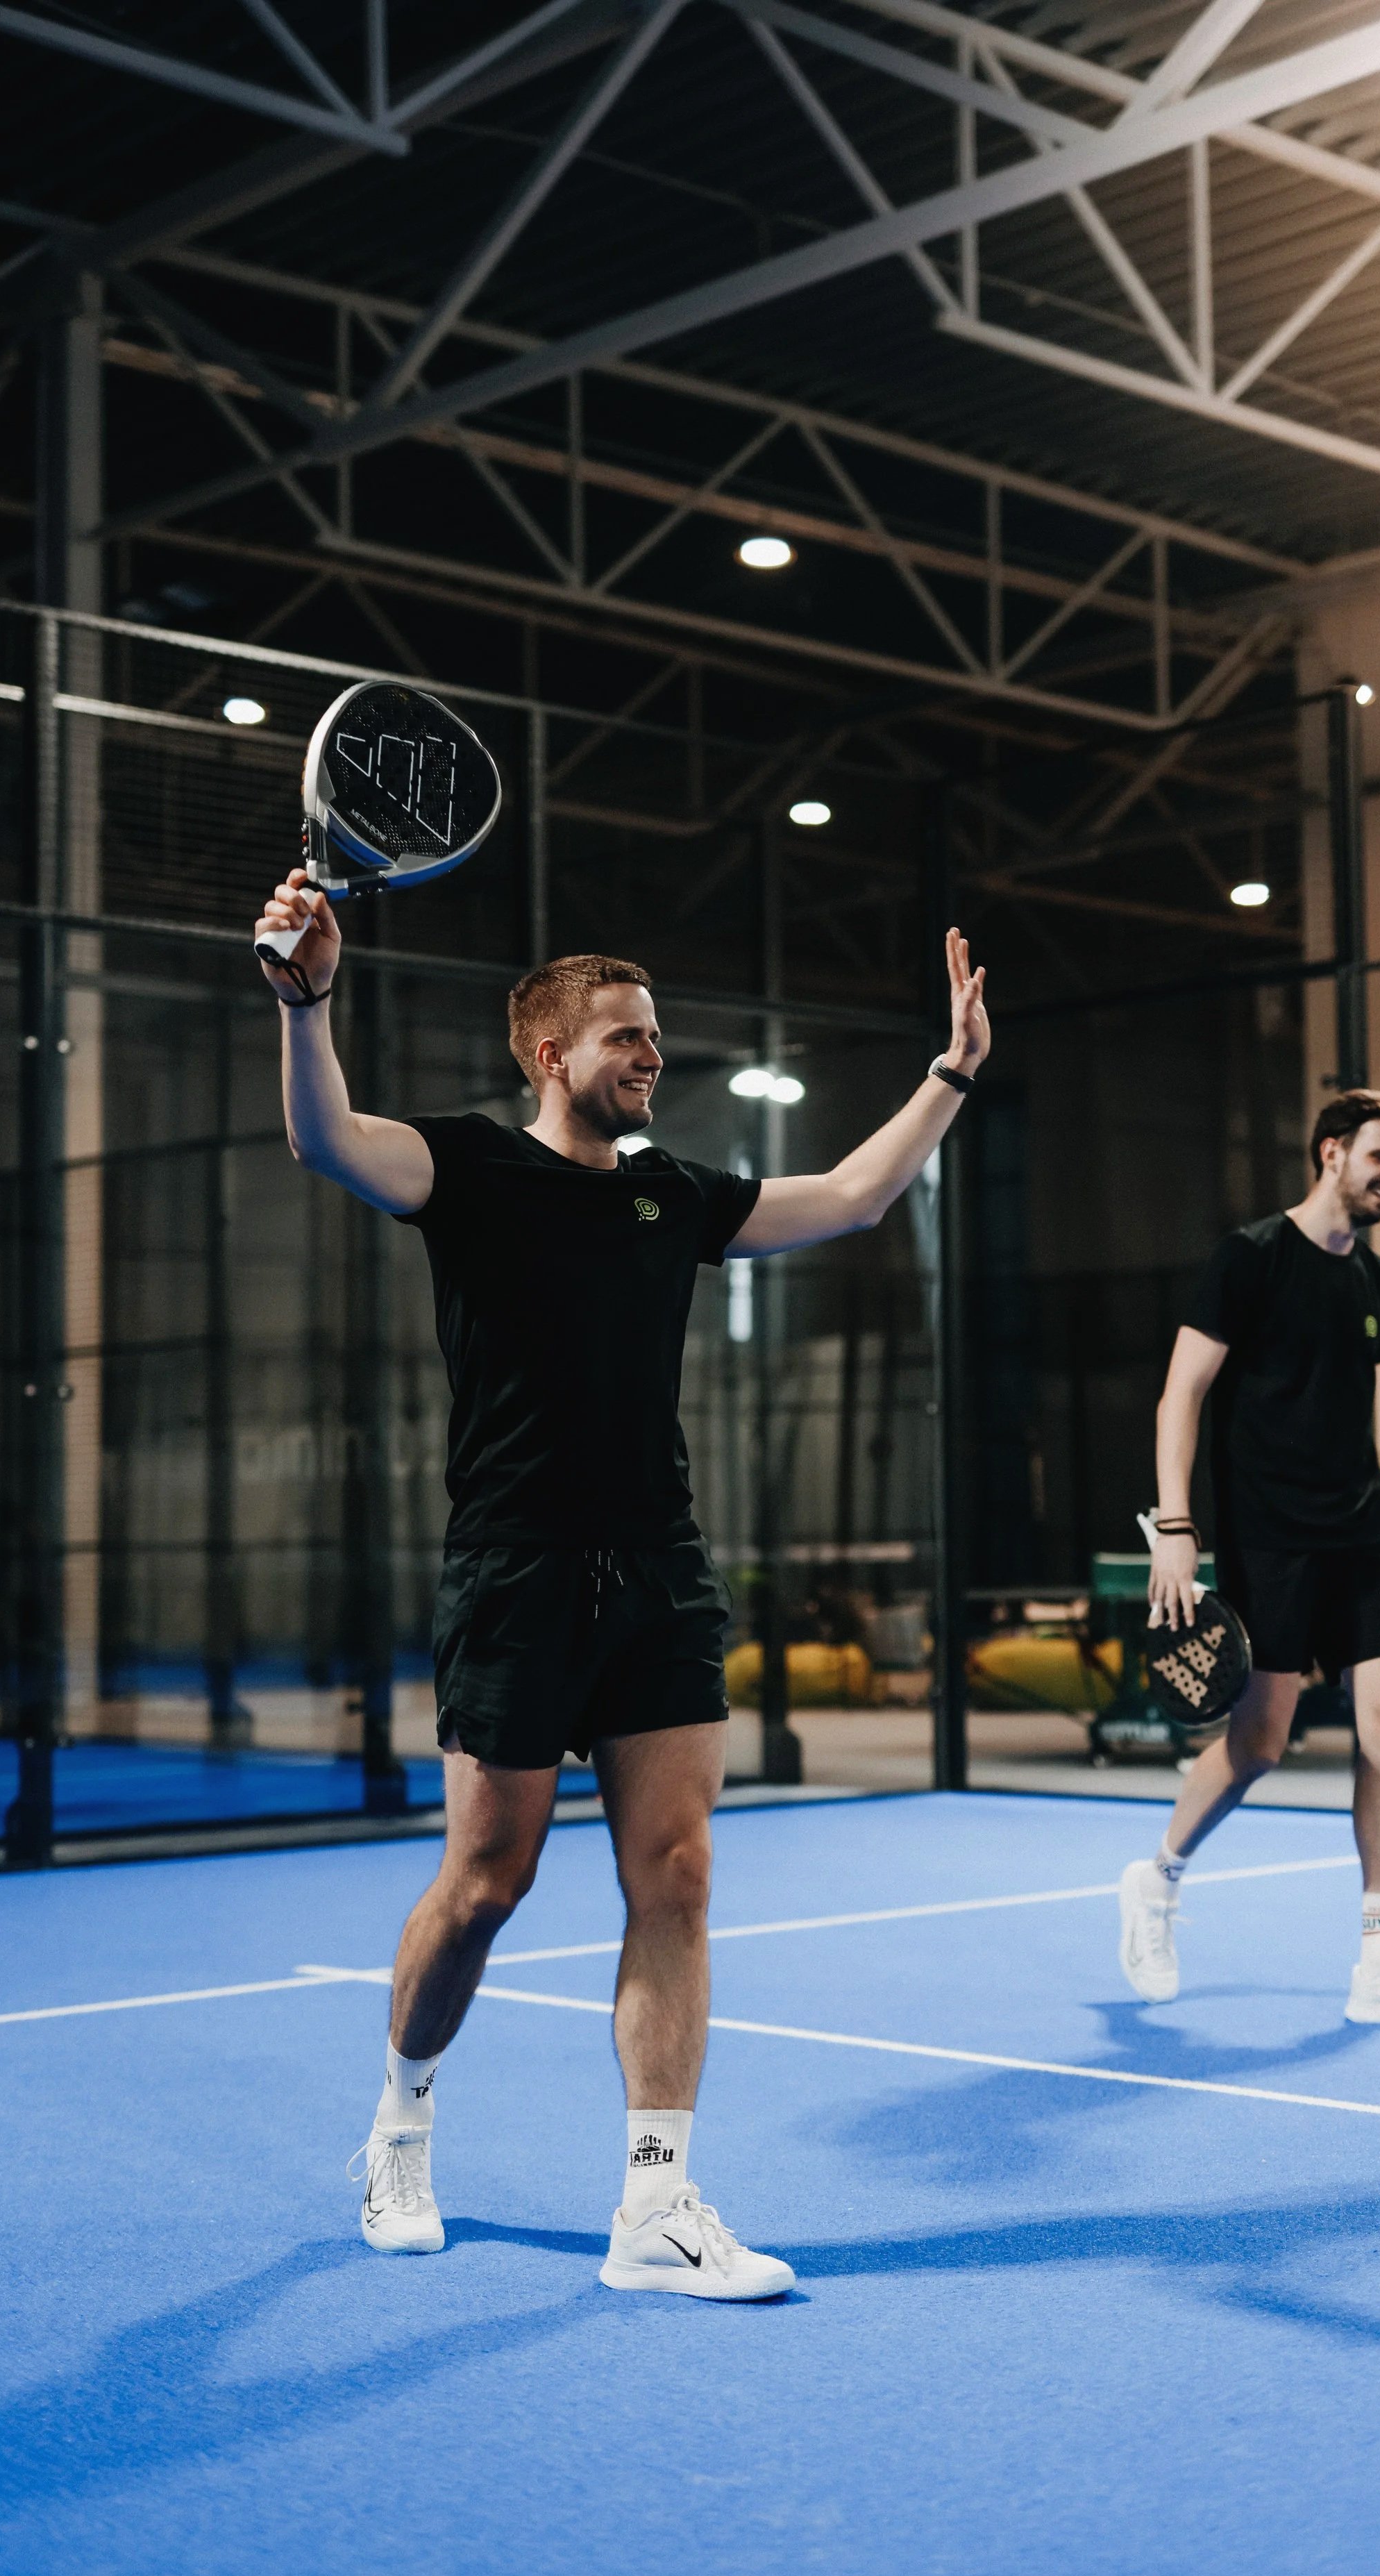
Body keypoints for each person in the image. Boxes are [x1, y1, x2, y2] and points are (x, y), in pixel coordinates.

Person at [255, 864, 989, 2298]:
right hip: (513, 1570)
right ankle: (400, 2119)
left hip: (659, 1566)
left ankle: (655, 2205)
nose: (652, 1056)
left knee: (680, 1872)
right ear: (549, 1052)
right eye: (626, 1036)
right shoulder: (467, 1168)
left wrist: (949, 1073)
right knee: (487, 1879)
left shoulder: (674, 1195)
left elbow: (843, 1196)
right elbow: (329, 1138)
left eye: (655, 1036)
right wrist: (307, 999)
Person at [1120, 1088, 1380, 2030]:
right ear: (1331, 1153)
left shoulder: (1377, 1281)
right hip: (1268, 1539)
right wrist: (1176, 1529)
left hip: (1362, 1533)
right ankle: (1157, 1880)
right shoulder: (1250, 1259)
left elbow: (1337, 1405)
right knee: (1259, 1746)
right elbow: (1180, 1397)